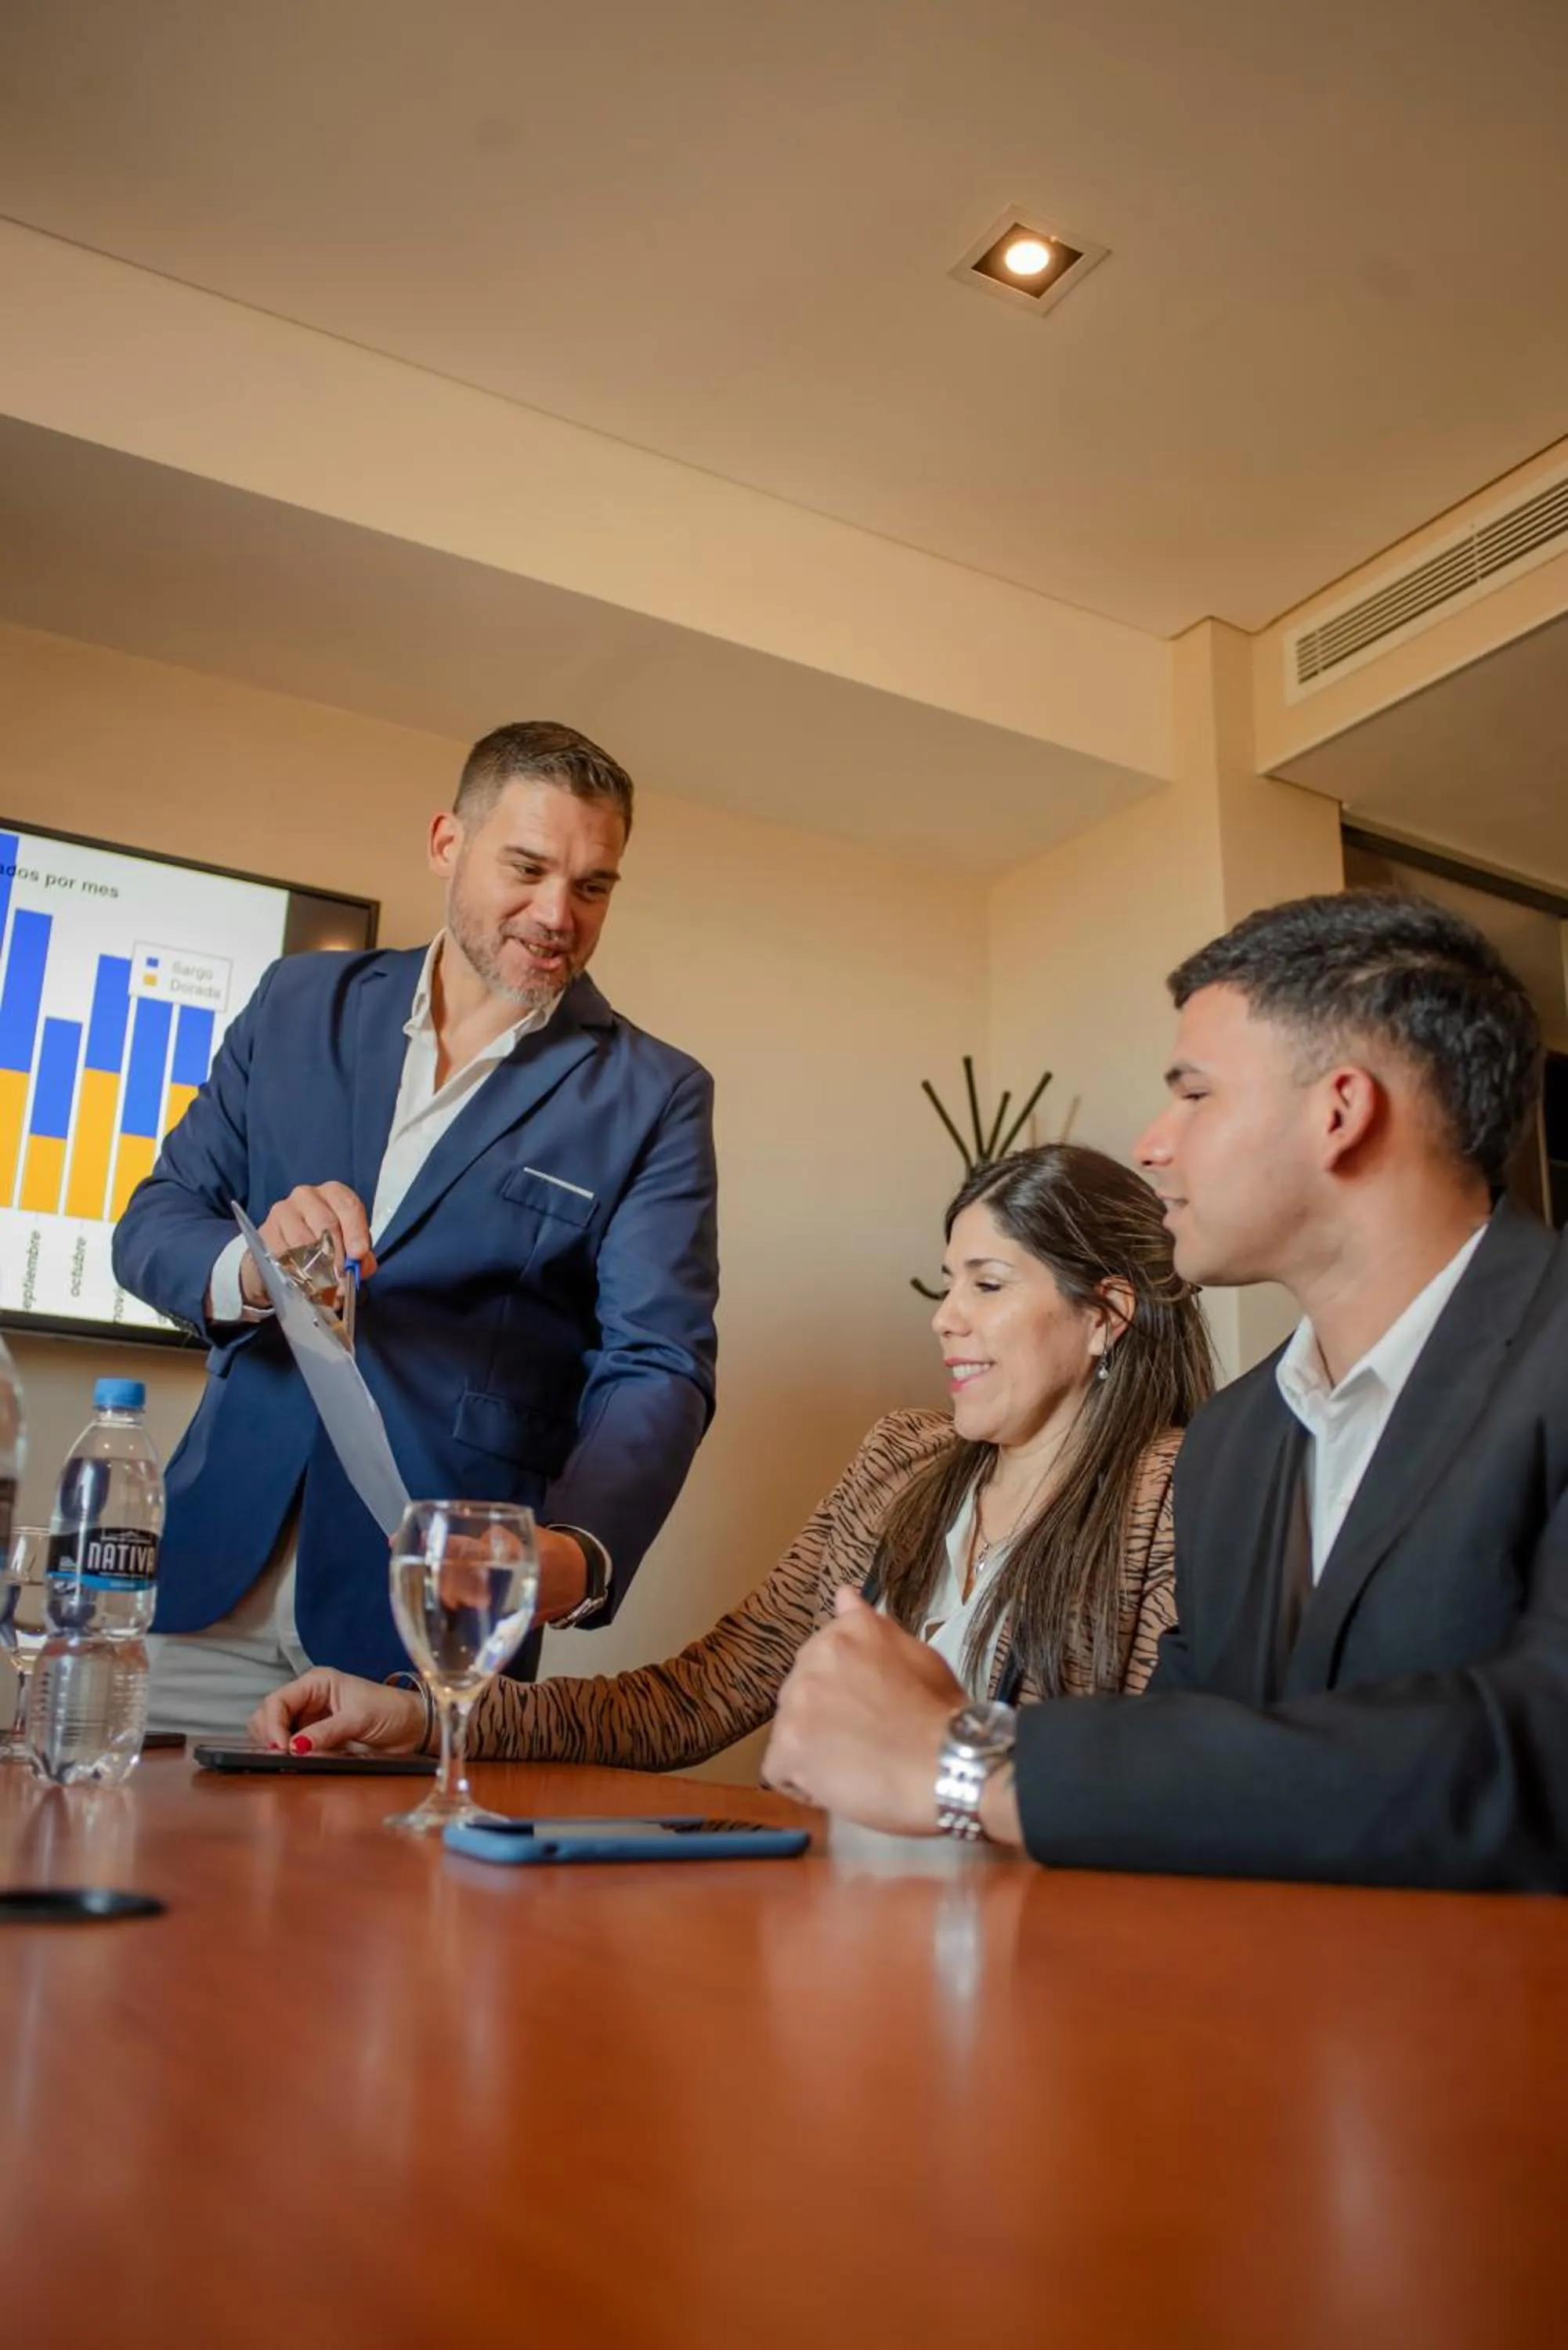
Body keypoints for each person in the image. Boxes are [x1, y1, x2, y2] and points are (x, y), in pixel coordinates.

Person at [764, 890, 1568, 1890]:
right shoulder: (1234, 1442)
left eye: (1193, 1094)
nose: (1152, 1143)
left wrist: (968, 1759)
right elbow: (1195, 1758)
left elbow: (1536, 1758)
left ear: (1340, 1112)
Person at [112, 721, 719, 1732]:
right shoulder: (297, 1003)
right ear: (447, 842)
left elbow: (657, 1363)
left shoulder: (653, 1095)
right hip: (205, 1577)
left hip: (427, 1628)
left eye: (593, 886)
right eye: (525, 868)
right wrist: (255, 1270)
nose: (555, 914)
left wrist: (575, 1553)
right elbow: (152, 1223)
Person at [250, 1144, 1216, 1762]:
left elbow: (1144, 1797)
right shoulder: (902, 1464)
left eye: (988, 1283)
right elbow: (701, 1695)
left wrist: (931, 1750)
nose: (945, 1317)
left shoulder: (1180, 1496)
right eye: (948, 1281)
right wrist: (425, 1717)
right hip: (830, 1926)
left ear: (1107, 1315)